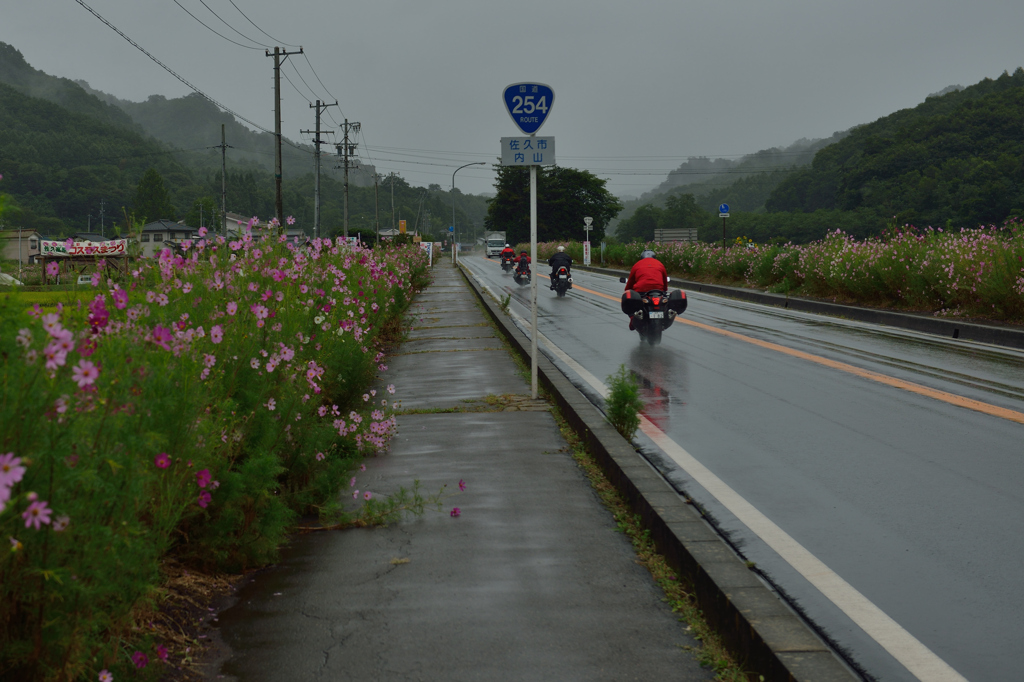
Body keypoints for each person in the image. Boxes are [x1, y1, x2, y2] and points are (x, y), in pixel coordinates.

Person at [623, 249, 668, 330]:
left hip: (641, 291)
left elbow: (630, 282)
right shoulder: (660, 264)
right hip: (658, 291)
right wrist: (664, 291)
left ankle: (633, 318)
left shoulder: (637, 265)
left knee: (629, 301)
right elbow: (664, 281)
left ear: (642, 257)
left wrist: (627, 290)